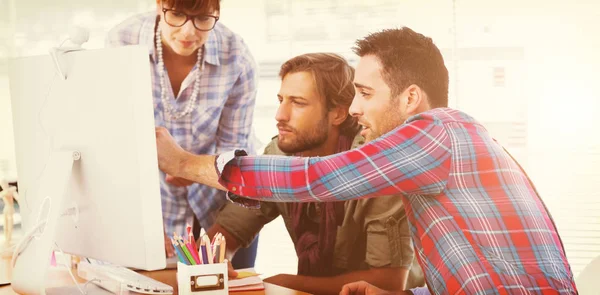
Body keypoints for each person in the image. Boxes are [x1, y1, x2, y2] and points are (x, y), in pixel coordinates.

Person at [155, 27, 577, 294]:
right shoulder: (440, 155)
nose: (355, 109)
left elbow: (317, 179)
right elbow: (473, 270)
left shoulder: (439, 130)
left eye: (367, 94)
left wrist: (182, 163)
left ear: (411, 97)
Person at [208, 53, 424, 294]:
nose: (280, 115)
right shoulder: (279, 154)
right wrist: (217, 259)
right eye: (281, 100)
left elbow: (387, 282)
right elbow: (229, 229)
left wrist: (283, 283)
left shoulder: (378, 168)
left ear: (338, 114)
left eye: (298, 103)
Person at [106, 0, 259, 267]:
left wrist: (187, 167)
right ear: (159, 6)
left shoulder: (236, 56)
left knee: (227, 282)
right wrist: (142, 221)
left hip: (220, 196)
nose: (188, 32)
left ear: (217, 13)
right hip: (153, 198)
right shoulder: (122, 43)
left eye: (202, 18)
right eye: (176, 14)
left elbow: (233, 152)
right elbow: (114, 139)